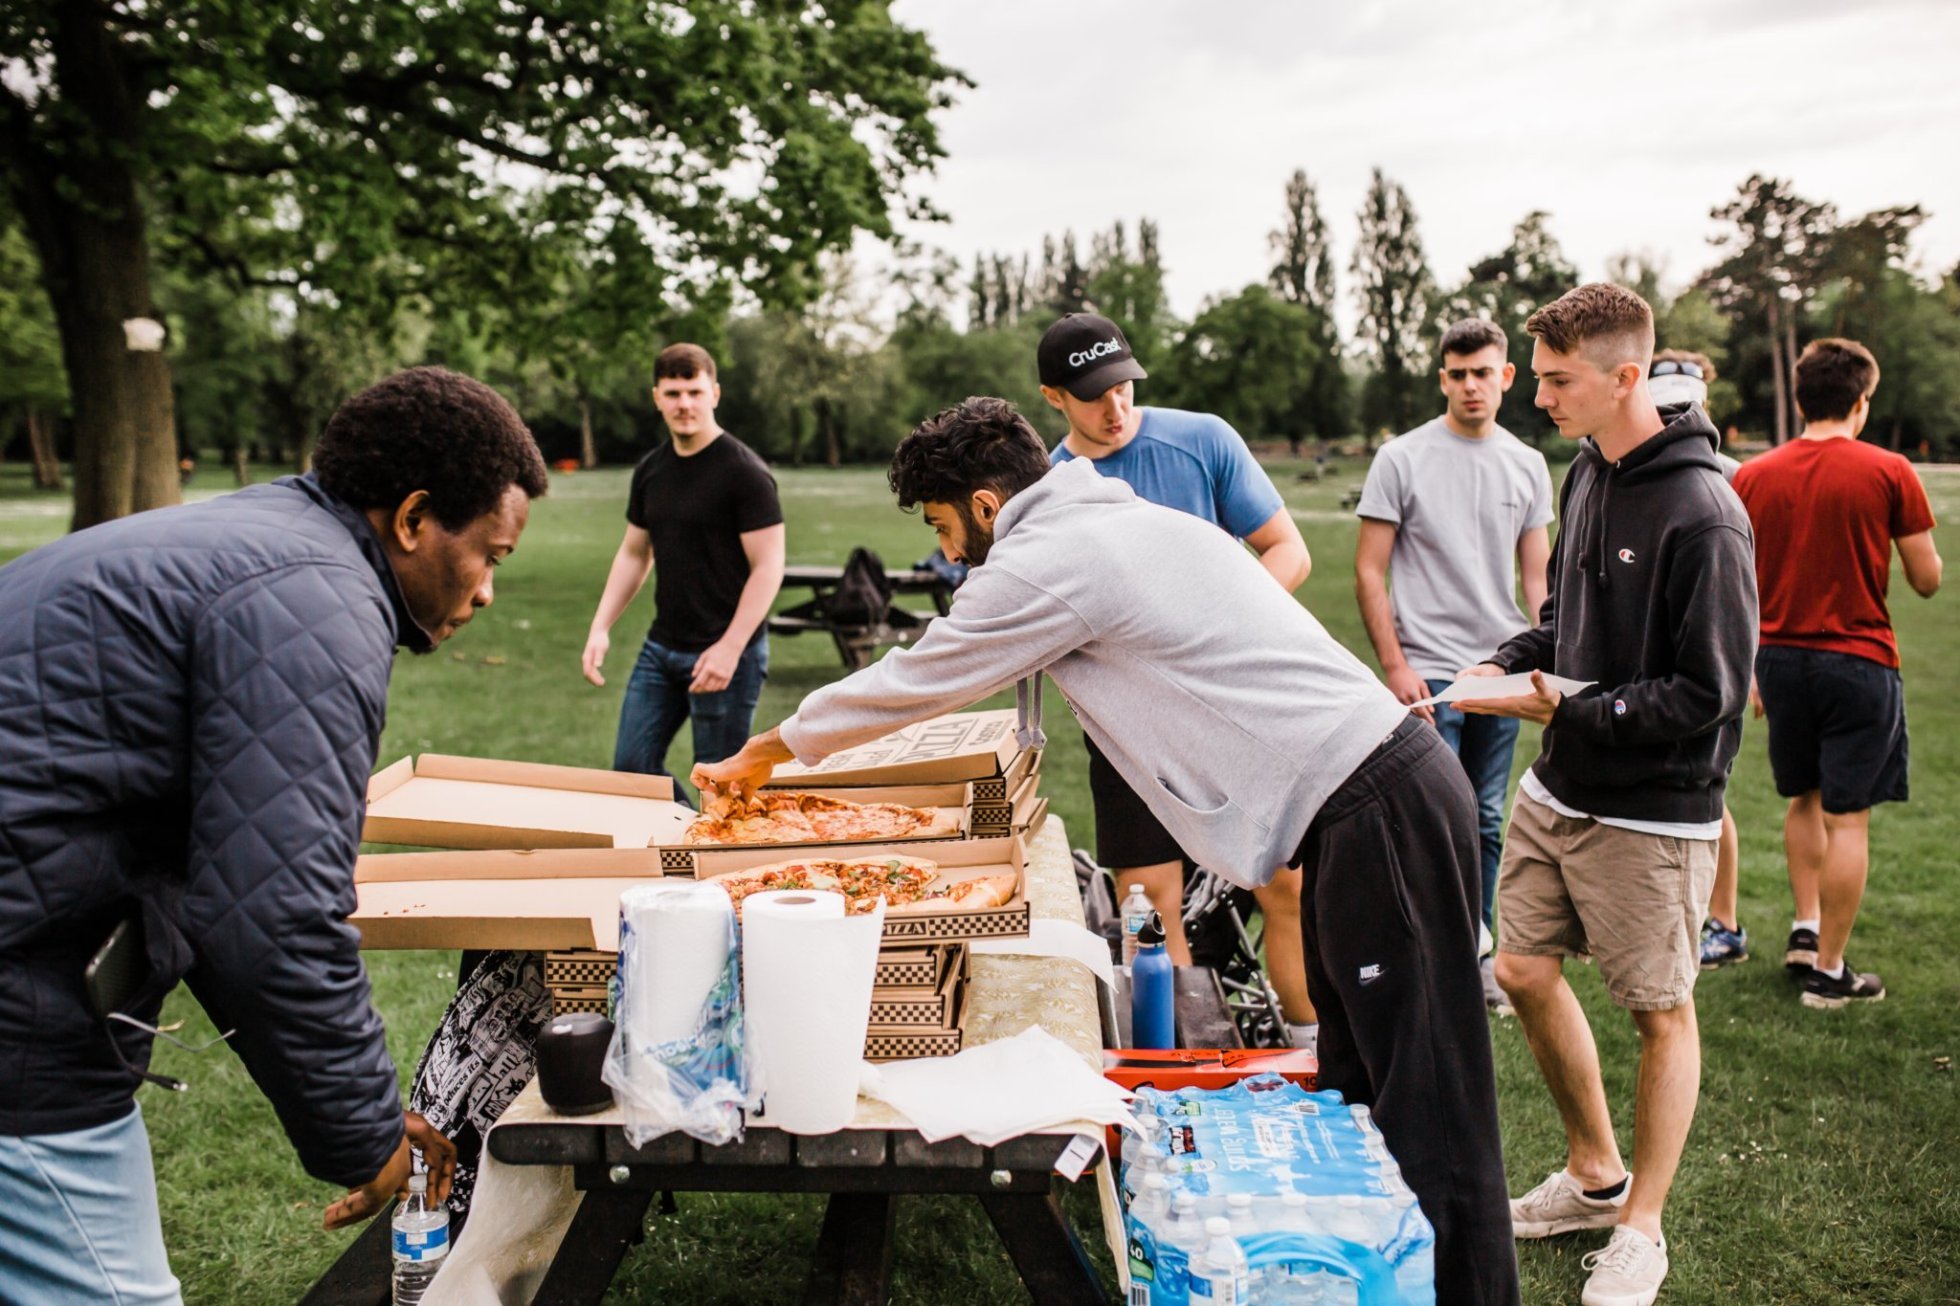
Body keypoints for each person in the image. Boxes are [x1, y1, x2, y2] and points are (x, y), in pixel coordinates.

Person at [697, 397, 1520, 1303]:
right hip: (1358, 811)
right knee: (1362, 1085)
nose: (948, 552)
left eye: (943, 526)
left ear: (983, 503)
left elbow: (920, 676)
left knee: (1433, 1105)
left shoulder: (1057, 556)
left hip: (1380, 808)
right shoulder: (1104, 521)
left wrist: (767, 751)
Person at [0, 367, 549, 1302]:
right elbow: (275, 918)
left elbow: (222, 895)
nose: (489, 590)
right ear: (413, 520)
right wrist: (369, 1139)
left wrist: (365, 1120)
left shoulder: (260, 543)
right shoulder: (316, 603)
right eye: (490, 555)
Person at [1459, 284, 1756, 1306]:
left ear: (1624, 376)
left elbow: (1707, 695)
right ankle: (1594, 1175)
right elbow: (1564, 621)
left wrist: (1560, 707)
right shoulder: (1584, 469)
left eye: (1551, 378)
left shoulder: (1706, 512)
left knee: (1659, 1013)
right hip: (1558, 791)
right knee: (1525, 969)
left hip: (1651, 812)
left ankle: (1641, 1227)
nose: (1528, 391)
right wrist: (1503, 664)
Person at [1036, 311, 1322, 1052]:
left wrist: (1220, 626)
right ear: (1053, 398)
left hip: (1232, 712)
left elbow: (1288, 551)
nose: (1116, 406)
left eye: (1125, 387)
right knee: (1144, 907)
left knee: (1284, 885)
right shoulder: (1051, 488)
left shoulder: (1203, 439)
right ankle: (1182, 1062)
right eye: (1093, 394)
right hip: (1128, 729)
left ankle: (1310, 1053)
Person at [1731, 338, 1941, 1008]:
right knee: (1849, 817)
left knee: (1804, 800)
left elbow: (1740, 584)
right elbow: (1928, 579)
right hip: (1858, 659)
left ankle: (1803, 928)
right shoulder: (1889, 469)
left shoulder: (1753, 476)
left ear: (1798, 399)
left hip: (1779, 660)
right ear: (1861, 401)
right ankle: (1829, 971)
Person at [1354, 318, 1554, 1016]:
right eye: (1457, 373)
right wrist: (1394, 664)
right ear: (1443, 378)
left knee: (1489, 817)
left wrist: (1545, 660)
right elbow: (1370, 570)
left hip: (1499, 671)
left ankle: (1476, 952)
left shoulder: (1527, 464)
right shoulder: (1401, 458)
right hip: (1429, 672)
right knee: (1431, 818)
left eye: (1484, 372)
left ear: (1506, 377)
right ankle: (1429, 954)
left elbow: (1538, 583)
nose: (1471, 385)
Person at [582, 342, 786, 794]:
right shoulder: (652, 470)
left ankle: (710, 857)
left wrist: (730, 648)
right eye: (673, 393)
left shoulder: (744, 472)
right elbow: (636, 552)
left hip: (726, 653)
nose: (684, 404)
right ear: (657, 397)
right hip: (662, 649)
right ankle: (685, 840)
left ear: (715, 393)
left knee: (720, 787)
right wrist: (600, 627)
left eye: (694, 391)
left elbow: (769, 565)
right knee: (632, 768)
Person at [1648, 349, 1748, 970]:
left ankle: (1725, 919)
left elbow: (1741, 586)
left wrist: (1747, 662)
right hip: (1654, 665)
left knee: (1712, 796)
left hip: (1711, 659)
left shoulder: (1729, 476)